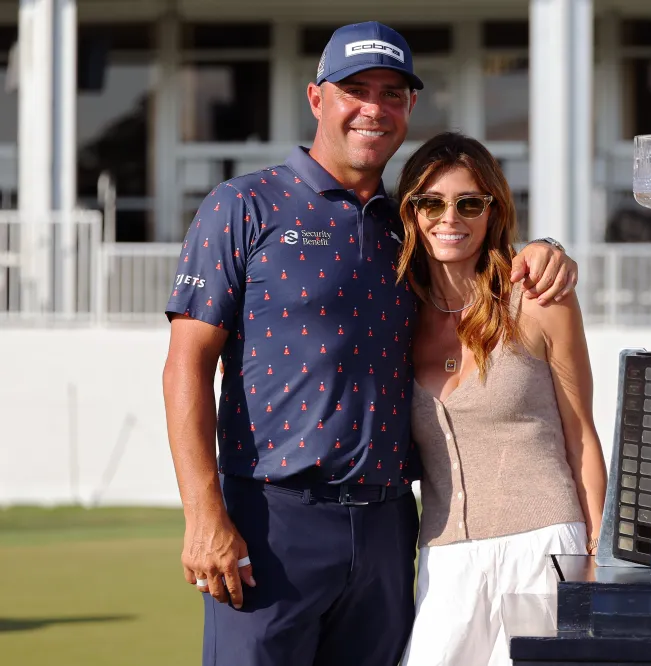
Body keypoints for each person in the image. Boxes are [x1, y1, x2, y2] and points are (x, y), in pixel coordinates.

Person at [161, 22, 578, 666]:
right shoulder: (244, 205)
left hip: (389, 525)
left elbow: (473, 249)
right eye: (355, 89)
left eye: (392, 93)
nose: (373, 108)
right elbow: (186, 366)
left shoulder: (407, 224)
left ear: (410, 107)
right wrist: (202, 516)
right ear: (316, 98)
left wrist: (544, 250)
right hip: (273, 520)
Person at [395, 132, 608, 666]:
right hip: (445, 559)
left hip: (545, 546)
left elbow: (581, 432)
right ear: (411, 211)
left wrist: (600, 557)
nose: (450, 217)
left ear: (493, 210)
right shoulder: (396, 313)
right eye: (431, 202)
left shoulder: (538, 300)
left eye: (469, 203)